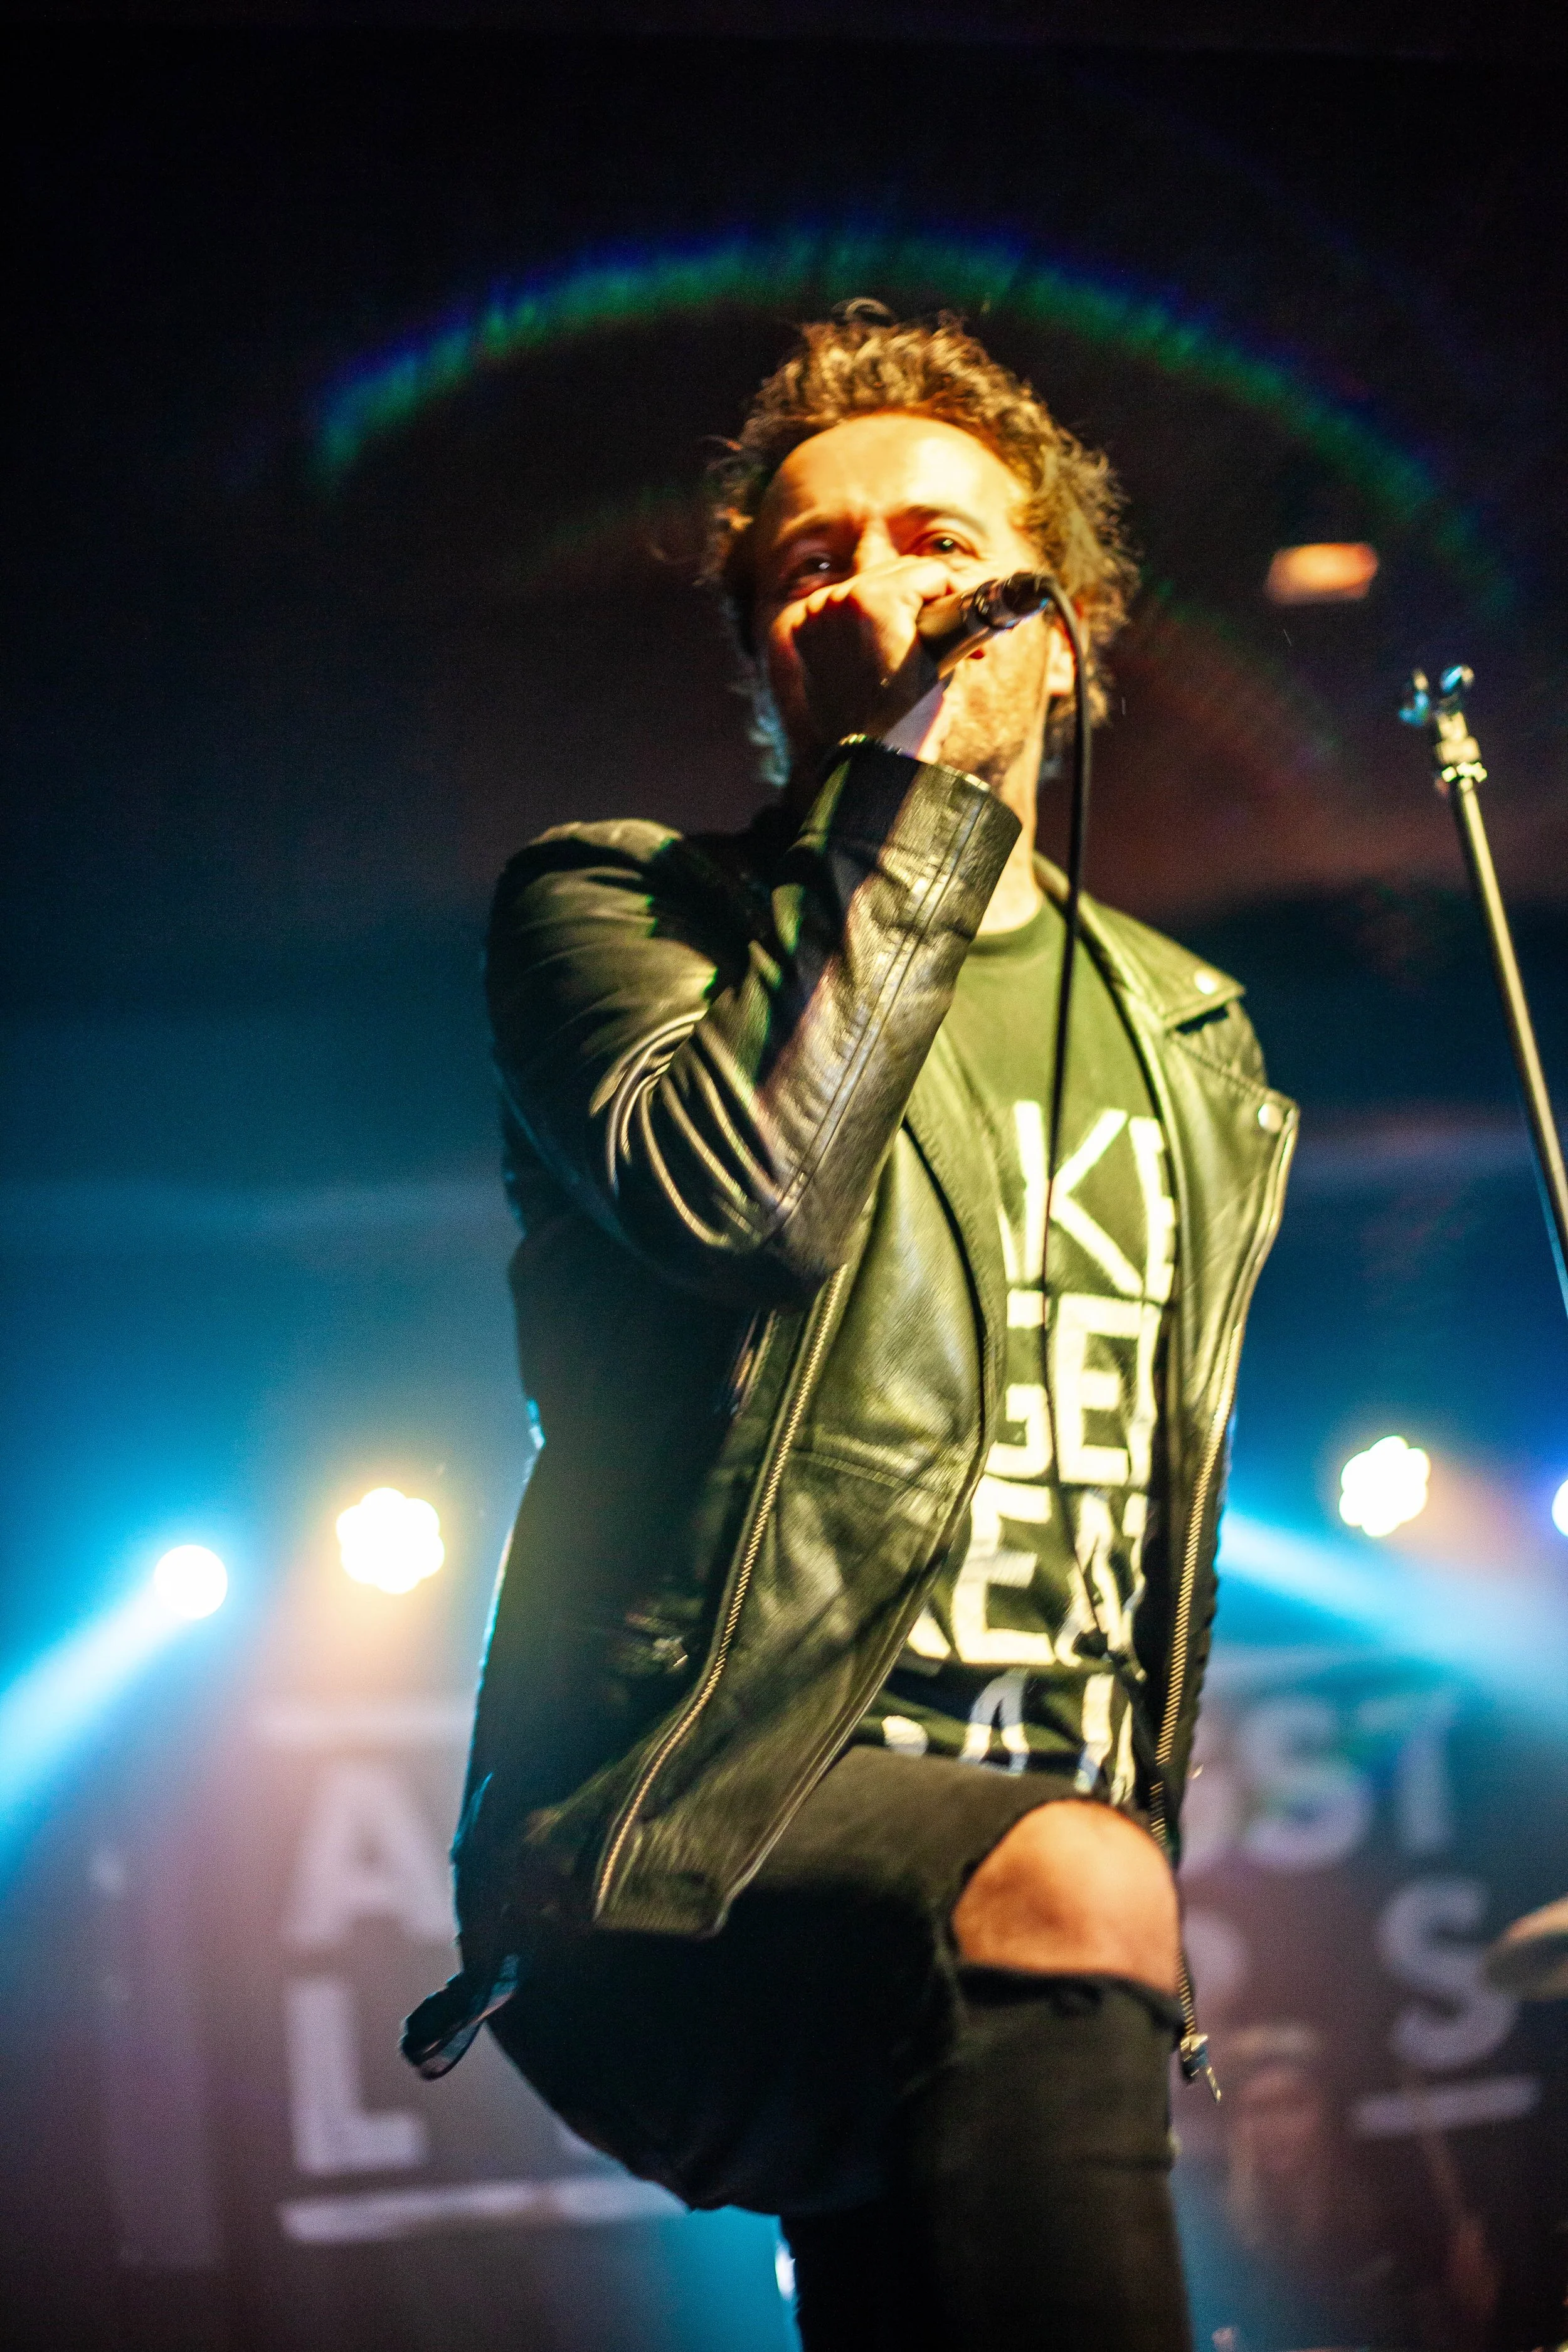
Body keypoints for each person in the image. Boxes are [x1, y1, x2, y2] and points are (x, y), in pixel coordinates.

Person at [404, 307, 1298, 2351]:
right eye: (810, 559)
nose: (870, 587)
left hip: (1028, 1877)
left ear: (1061, 630)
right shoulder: (616, 909)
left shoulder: (1181, 1031)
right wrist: (921, 791)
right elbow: (744, 1200)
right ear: (756, 642)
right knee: (1065, 1876)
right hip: (678, 1830)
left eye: (930, 544)